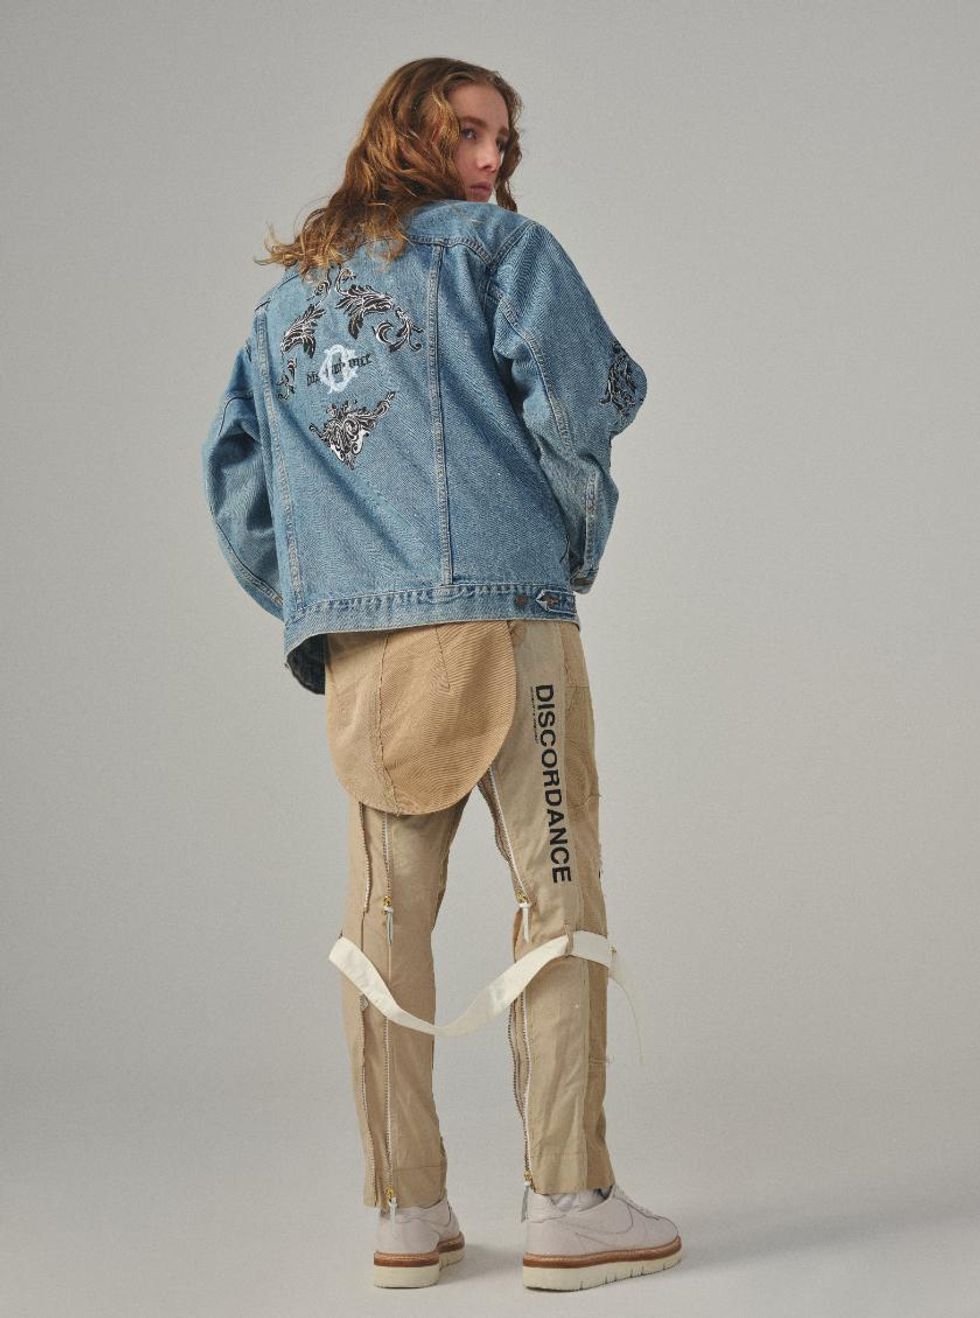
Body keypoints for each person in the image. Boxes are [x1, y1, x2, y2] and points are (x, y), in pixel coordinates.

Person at [201, 56, 683, 1292]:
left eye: (501, 143)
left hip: (370, 659)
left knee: (379, 923)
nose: (489, 160)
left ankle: (404, 1211)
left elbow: (239, 486)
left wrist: (330, 601)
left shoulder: (283, 306)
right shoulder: (496, 251)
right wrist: (562, 543)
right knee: (557, 895)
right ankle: (568, 1201)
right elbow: (578, 402)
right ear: (406, 130)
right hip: (508, 621)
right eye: (469, 132)